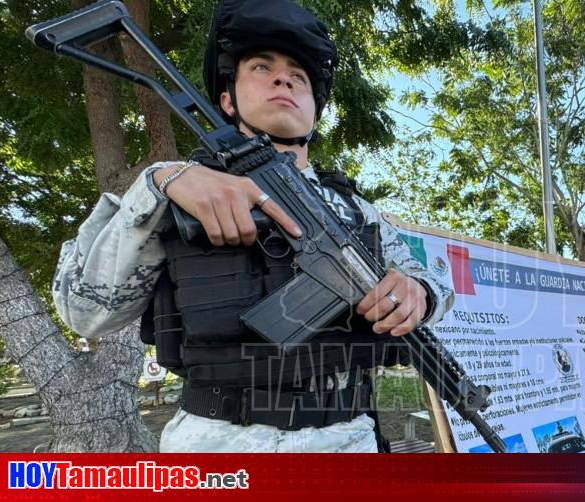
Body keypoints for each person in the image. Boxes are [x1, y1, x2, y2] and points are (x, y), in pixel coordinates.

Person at [52, 0, 453, 452]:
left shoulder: (358, 210)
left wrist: (420, 292)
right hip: (218, 446)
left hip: (350, 441)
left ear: (314, 112)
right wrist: (159, 182)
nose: (284, 79)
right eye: (262, 67)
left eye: (299, 77)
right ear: (227, 99)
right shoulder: (174, 191)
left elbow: (434, 282)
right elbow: (84, 316)